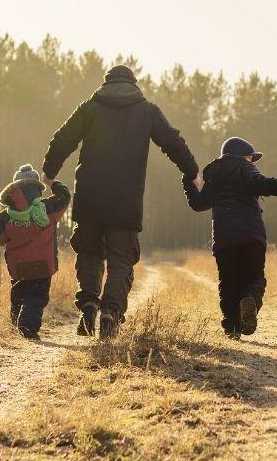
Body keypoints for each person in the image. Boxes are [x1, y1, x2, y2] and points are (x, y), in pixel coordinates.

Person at [41, 65, 199, 339]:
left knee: (89, 253)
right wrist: (193, 172)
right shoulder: (147, 110)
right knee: (121, 259)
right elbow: (173, 142)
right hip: (126, 201)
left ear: (107, 83)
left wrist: (49, 173)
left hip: (90, 197)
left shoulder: (90, 107)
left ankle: (89, 303)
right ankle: (110, 313)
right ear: (134, 84)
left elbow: (63, 138)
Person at [183, 137, 277, 338]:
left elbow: (199, 204)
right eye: (251, 158)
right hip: (251, 235)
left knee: (228, 282)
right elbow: (260, 184)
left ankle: (232, 328)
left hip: (224, 239)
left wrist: (188, 182)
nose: (252, 162)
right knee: (255, 278)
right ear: (243, 155)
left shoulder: (212, 172)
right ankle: (249, 299)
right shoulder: (243, 166)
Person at [0, 164, 71, 339]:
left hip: (18, 268)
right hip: (43, 266)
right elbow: (65, 197)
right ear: (37, 188)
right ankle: (27, 328)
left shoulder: (6, 216)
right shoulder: (47, 208)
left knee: (18, 295)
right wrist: (52, 182)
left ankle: (15, 325)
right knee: (36, 297)